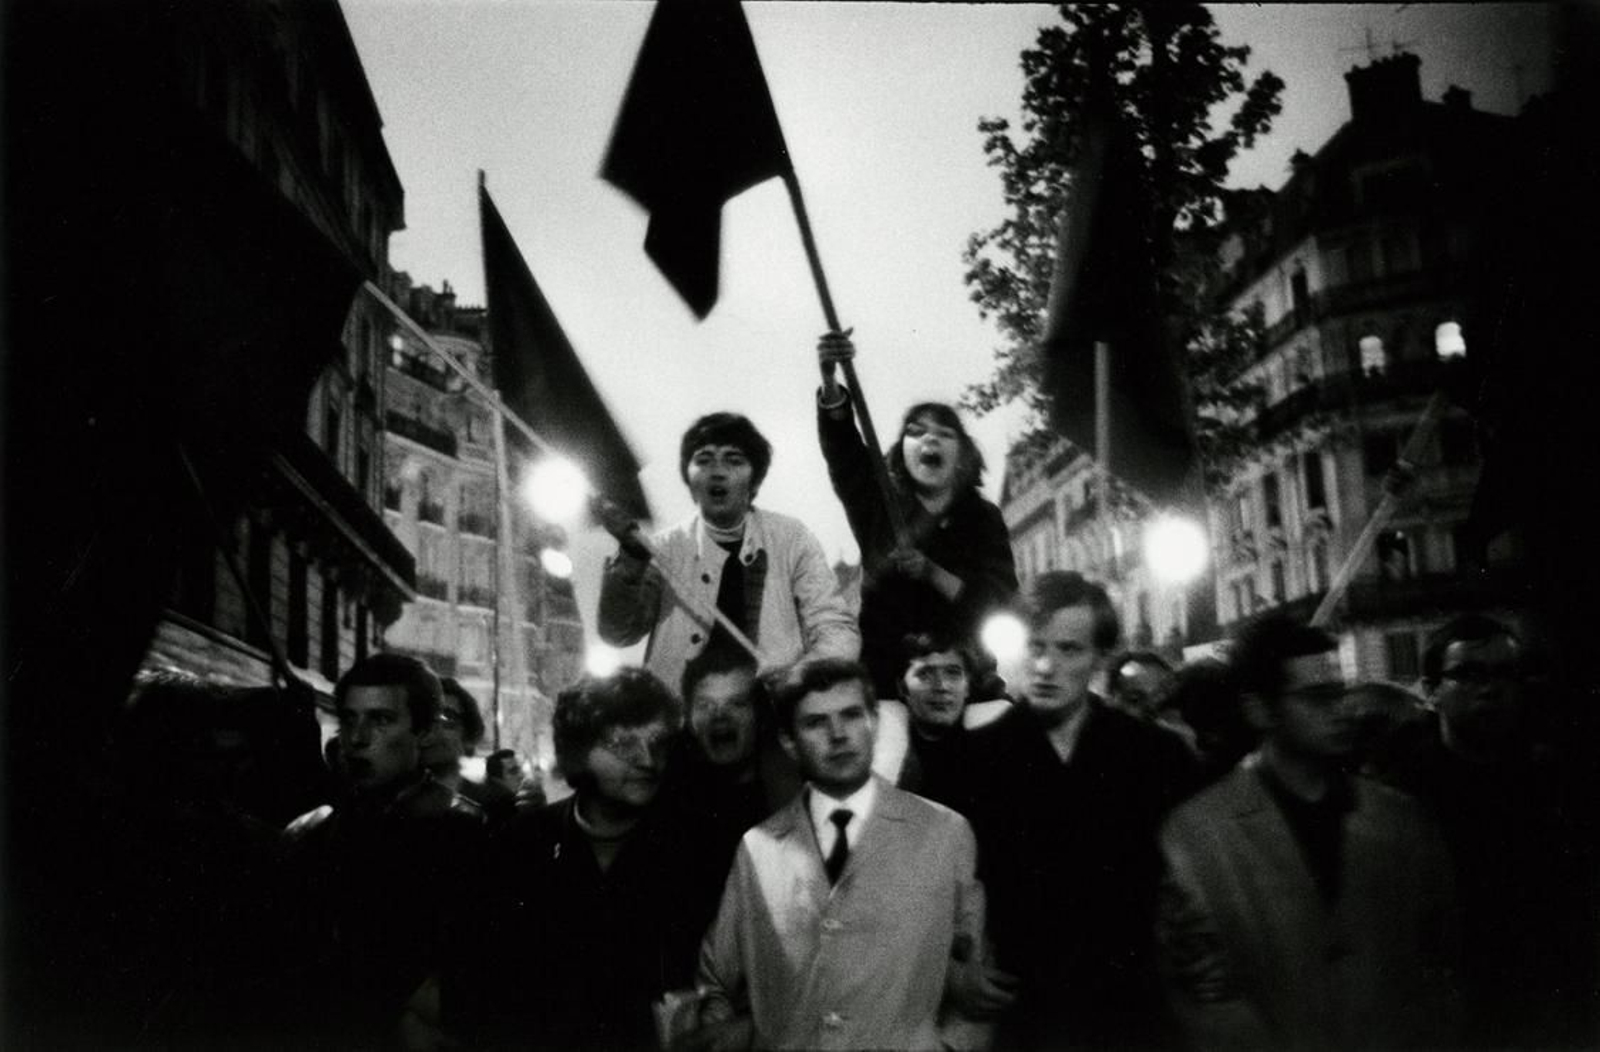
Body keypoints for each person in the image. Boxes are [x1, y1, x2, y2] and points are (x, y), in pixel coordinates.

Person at [1157, 613, 1461, 1049]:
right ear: (1260, 710)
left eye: (1340, 693)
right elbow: (1204, 996)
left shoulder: (1400, 820)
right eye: (1318, 698)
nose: (1341, 711)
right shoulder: (1196, 835)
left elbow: (1438, 960)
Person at [692, 658, 1014, 1050]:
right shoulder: (759, 847)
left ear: (874, 723)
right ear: (789, 742)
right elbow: (715, 982)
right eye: (815, 723)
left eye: (851, 715)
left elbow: (980, 984)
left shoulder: (944, 833)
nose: (838, 734)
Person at [962, 571, 1198, 1049]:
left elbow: (1196, 886)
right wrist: (953, 971)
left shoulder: (1156, 756)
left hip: (1133, 1013)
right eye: (1035, 646)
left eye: (1068, 650)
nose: (1046, 666)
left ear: (1100, 658)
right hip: (1023, 1017)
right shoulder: (971, 760)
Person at [459, 668, 727, 1051]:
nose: (648, 760)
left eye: (658, 742)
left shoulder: (696, 849)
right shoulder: (521, 843)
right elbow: (487, 981)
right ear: (578, 750)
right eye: (623, 743)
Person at [1367, 614, 1598, 1047]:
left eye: (1504, 673)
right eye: (1469, 674)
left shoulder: (1555, 784)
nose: (1490, 689)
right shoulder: (1398, 798)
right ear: (1432, 690)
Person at [280, 654, 484, 1050]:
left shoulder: (469, 835)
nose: (358, 738)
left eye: (381, 719)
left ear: (423, 730)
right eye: (350, 719)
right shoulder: (314, 833)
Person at [598, 411, 859, 695]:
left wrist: (798, 678)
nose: (717, 471)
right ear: (689, 481)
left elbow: (838, 631)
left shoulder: (792, 538)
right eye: (704, 460)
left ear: (755, 481)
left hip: (769, 717)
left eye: (734, 460)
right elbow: (618, 634)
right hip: (683, 722)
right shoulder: (662, 548)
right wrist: (631, 559)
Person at [816, 332, 1018, 696]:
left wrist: (931, 572)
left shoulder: (983, 518)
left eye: (944, 433)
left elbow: (997, 601)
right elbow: (846, 453)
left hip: (968, 684)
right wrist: (831, 382)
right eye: (917, 431)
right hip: (889, 683)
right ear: (902, 454)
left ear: (962, 457)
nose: (930, 440)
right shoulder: (877, 505)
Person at [892, 632, 983, 815]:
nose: (941, 686)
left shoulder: (988, 750)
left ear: (968, 687)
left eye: (953, 673)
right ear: (902, 688)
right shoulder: (888, 752)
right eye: (925, 674)